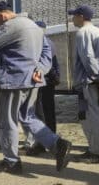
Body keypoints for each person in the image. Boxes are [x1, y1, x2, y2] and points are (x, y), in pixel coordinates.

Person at [0, 1, 71, 174]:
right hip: (32, 78)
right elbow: (47, 51)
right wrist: (41, 69)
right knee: (27, 116)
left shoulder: (10, 25)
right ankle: (57, 144)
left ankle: (11, 162)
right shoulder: (34, 26)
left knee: (6, 120)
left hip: (15, 79)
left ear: (1, 15)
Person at [69, 5, 99, 163]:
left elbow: (88, 58)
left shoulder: (83, 32)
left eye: (74, 15)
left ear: (81, 16)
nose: (72, 18)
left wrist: (97, 77)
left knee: (91, 116)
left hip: (90, 81)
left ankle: (96, 152)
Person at [24, 21, 61, 156]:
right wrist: (57, 76)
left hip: (42, 81)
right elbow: (55, 63)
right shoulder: (50, 42)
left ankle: (44, 143)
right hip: (49, 81)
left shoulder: (39, 42)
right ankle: (51, 141)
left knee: (41, 113)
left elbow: (45, 63)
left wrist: (52, 75)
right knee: (48, 112)